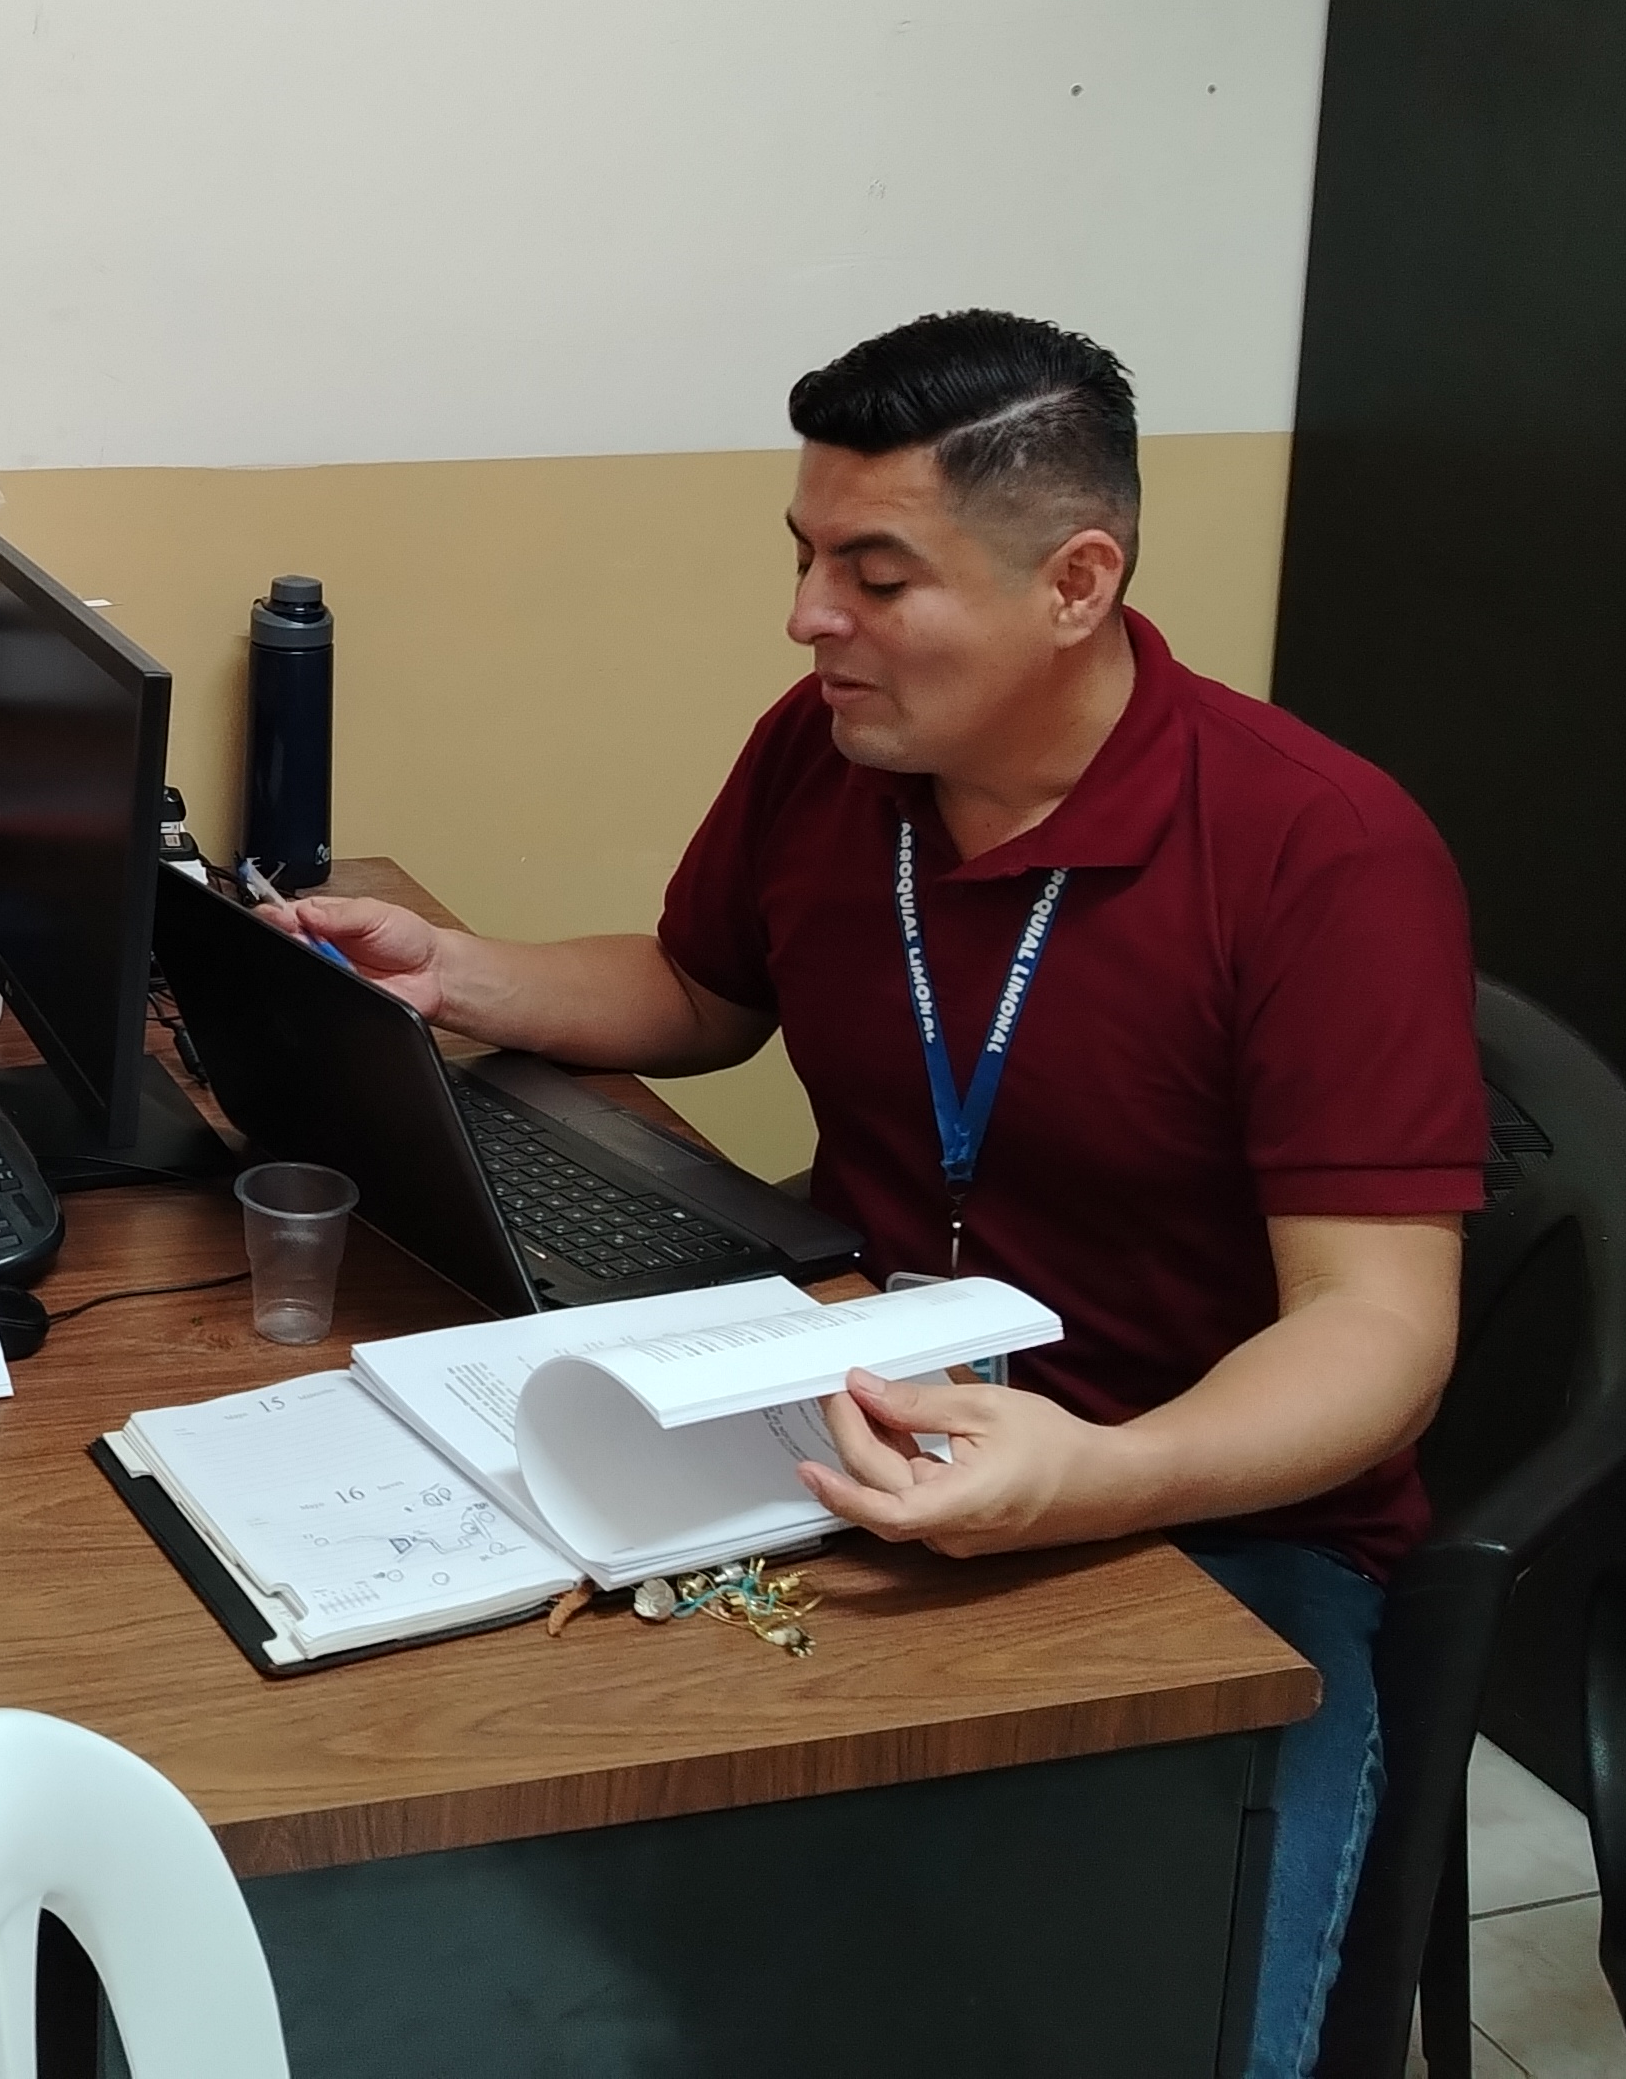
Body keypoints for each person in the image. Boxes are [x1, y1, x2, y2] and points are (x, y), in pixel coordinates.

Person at [263, 310, 1484, 2079]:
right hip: (845, 1418)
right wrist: (453, 974)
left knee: (1140, 2020)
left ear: (1076, 583)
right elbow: (702, 990)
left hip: (1203, 1521)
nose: (808, 617)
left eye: (876, 575)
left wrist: (1105, 1475)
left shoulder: (1322, 851)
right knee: (528, 1893)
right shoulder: (837, 749)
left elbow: (1377, 1331)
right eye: (806, 557)